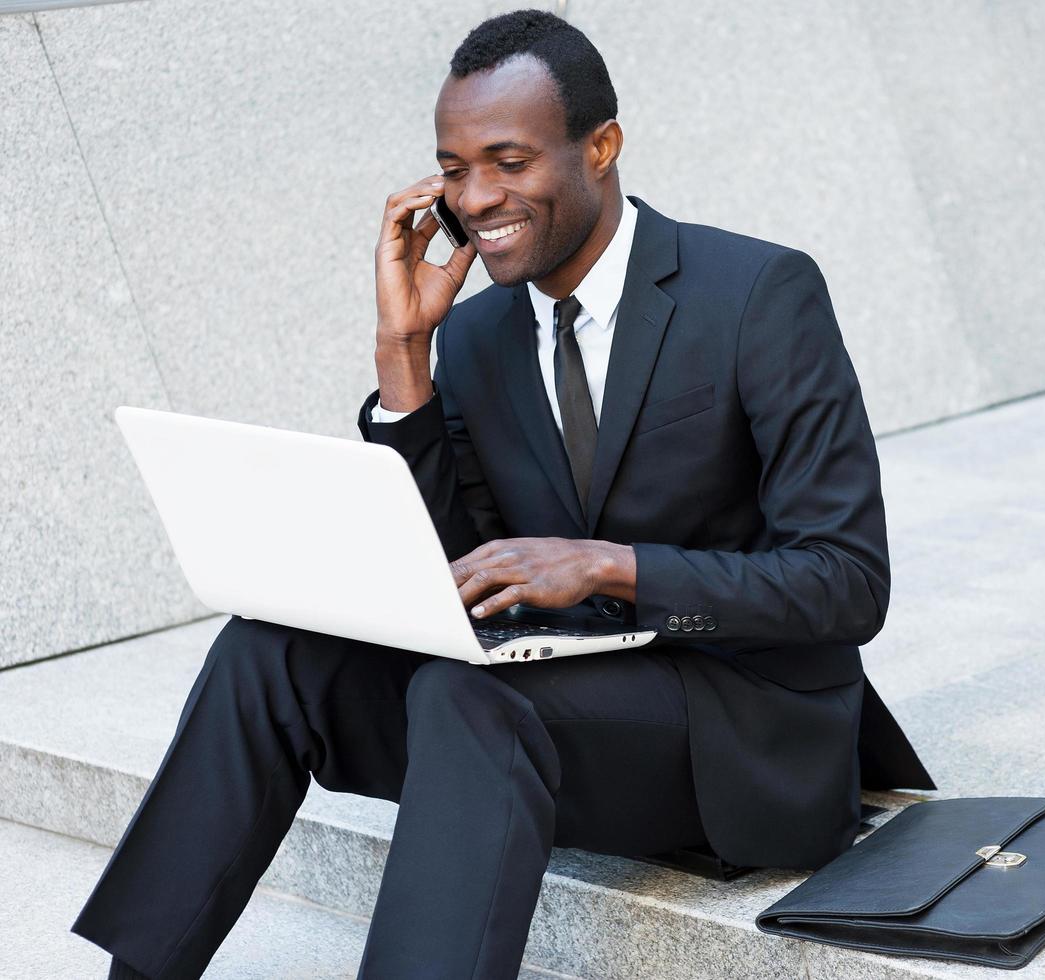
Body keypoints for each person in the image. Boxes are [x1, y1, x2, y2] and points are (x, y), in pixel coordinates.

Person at [71, 9, 934, 979]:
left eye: (508, 161)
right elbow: (451, 578)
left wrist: (609, 566)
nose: (476, 196)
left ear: (600, 146)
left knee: (467, 696)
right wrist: (404, 357)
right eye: (453, 167)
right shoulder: (475, 336)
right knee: (266, 650)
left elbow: (848, 582)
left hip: (731, 728)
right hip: (547, 703)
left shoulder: (758, 294)